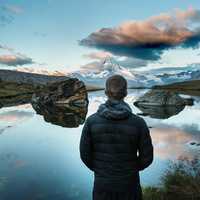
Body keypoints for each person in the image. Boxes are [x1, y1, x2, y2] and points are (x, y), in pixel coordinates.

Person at [79, 75, 154, 200]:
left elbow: (85, 155)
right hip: (130, 185)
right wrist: (131, 169)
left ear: (106, 92)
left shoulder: (91, 122)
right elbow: (147, 158)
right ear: (125, 93)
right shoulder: (138, 123)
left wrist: (101, 169)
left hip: (102, 186)